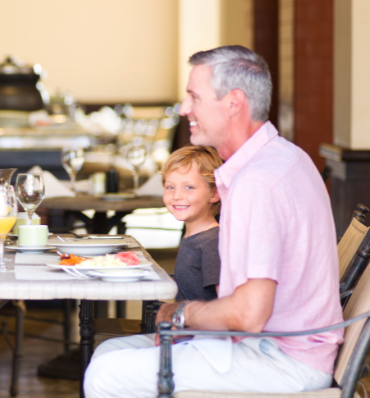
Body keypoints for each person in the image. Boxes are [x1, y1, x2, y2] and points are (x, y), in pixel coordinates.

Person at [84, 46, 343, 397]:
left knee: (105, 374)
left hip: (279, 358)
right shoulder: (285, 157)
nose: (184, 108)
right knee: (109, 351)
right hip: (274, 347)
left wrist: (180, 313)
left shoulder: (258, 180)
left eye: (194, 97)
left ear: (233, 102)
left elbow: (249, 315)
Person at [162, 145, 222, 302]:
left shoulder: (212, 243)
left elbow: (224, 302)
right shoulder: (194, 236)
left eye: (189, 187)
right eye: (170, 187)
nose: (176, 196)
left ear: (214, 193)